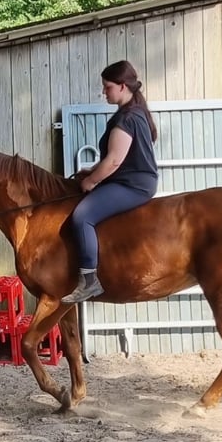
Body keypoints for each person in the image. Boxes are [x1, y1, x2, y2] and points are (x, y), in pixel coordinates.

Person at [61, 60, 159, 303]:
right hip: (132, 180)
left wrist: (91, 181)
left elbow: (115, 160)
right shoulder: (133, 113)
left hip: (132, 185)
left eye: (107, 87)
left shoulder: (127, 118)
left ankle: (89, 282)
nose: (104, 91)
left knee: (82, 216)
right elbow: (122, 159)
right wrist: (92, 169)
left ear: (122, 86)